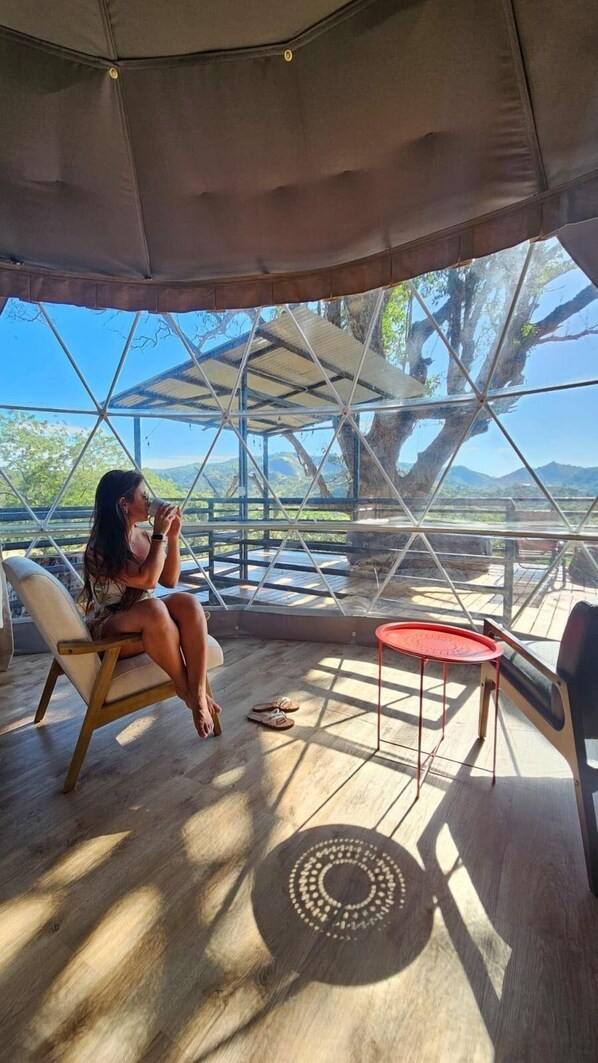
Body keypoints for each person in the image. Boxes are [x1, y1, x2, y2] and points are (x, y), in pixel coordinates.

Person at [81, 469, 221, 739]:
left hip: (149, 621)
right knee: (154, 608)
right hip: (112, 629)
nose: (149, 501)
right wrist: (159, 535)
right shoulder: (99, 549)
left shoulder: (144, 536)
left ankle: (198, 691)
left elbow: (169, 580)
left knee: (188, 602)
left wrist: (173, 537)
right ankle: (186, 690)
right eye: (143, 496)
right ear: (124, 503)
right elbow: (147, 580)